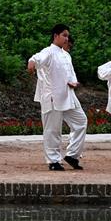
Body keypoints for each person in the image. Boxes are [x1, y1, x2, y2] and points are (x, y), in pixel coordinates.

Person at [28, 24, 88, 171]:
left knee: (81, 122)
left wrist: (74, 82)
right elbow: (37, 58)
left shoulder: (66, 55)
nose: (67, 38)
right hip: (53, 97)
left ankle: (72, 155)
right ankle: (53, 161)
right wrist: (32, 62)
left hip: (68, 95)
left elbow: (71, 74)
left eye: (67, 36)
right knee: (53, 130)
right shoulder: (49, 52)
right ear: (56, 36)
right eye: (64, 35)